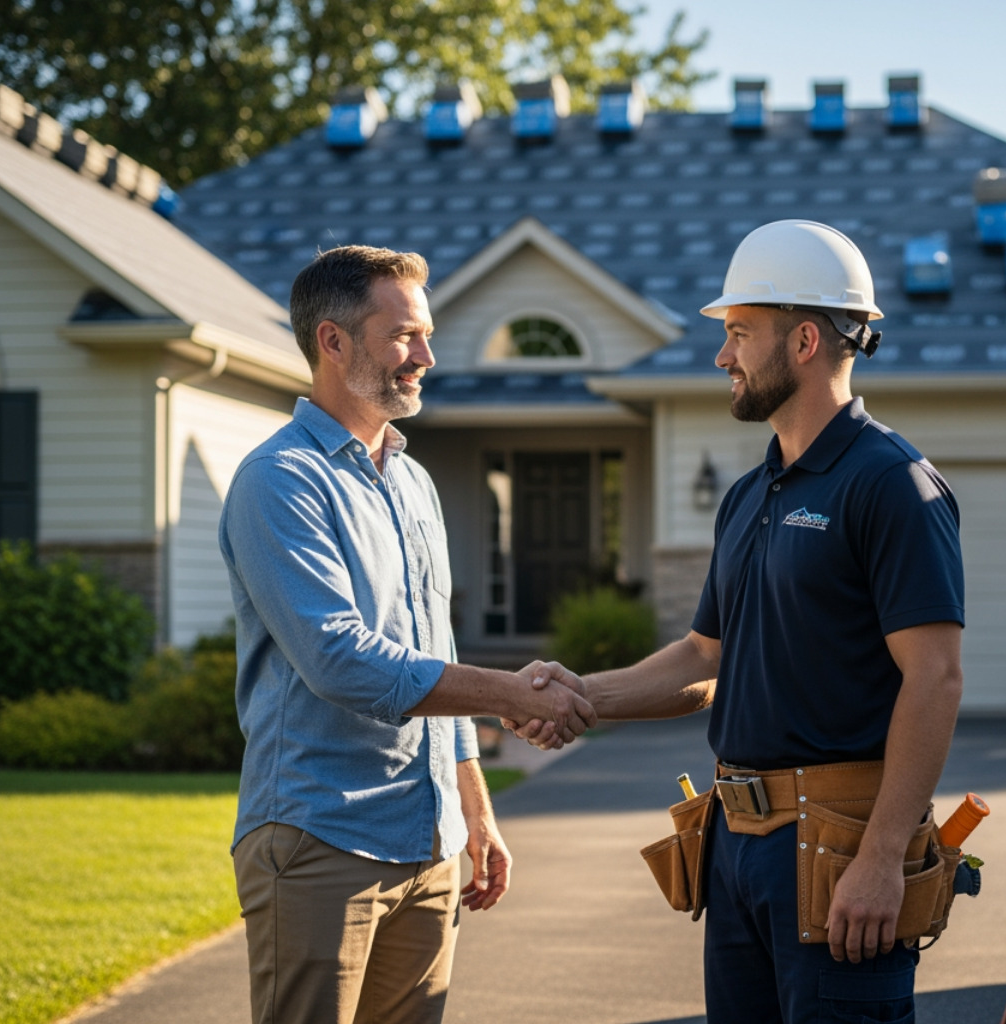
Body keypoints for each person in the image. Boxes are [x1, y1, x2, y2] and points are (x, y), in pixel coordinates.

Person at [512, 219, 964, 1023]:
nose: (722, 356)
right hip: (736, 848)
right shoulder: (749, 493)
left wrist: (884, 856)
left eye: (739, 333)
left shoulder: (893, 484)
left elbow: (935, 677)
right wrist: (579, 697)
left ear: (804, 341)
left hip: (837, 852)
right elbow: (701, 656)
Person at [219, 245, 595, 1024]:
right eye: (403, 336)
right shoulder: (279, 481)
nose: (426, 356)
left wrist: (476, 809)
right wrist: (508, 694)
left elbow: (434, 649)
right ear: (332, 341)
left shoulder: (413, 480)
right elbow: (341, 658)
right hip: (321, 836)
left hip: (427, 841)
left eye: (425, 335)